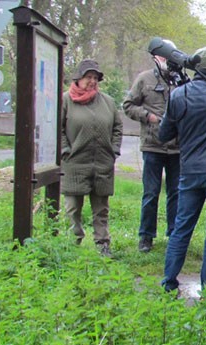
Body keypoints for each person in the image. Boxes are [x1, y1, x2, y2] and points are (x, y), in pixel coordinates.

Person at [158, 47, 206, 302]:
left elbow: (164, 134)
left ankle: (169, 283)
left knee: (181, 228)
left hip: (188, 171)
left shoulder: (178, 95)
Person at [61, 59, 123, 258]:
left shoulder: (108, 102)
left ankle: (102, 243)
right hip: (74, 162)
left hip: (102, 162)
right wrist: (65, 150)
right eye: (88, 77)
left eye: (95, 78)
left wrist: (113, 150)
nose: (92, 81)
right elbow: (57, 128)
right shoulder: (65, 101)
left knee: (101, 208)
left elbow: (117, 127)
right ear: (78, 78)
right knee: (72, 208)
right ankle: (73, 243)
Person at [123, 49, 180, 253]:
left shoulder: (180, 80)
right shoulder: (144, 79)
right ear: (156, 58)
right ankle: (146, 236)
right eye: (163, 56)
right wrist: (147, 116)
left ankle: (174, 235)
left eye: (169, 57)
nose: (166, 60)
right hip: (152, 146)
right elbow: (127, 105)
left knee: (176, 193)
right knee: (151, 193)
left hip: (176, 148)